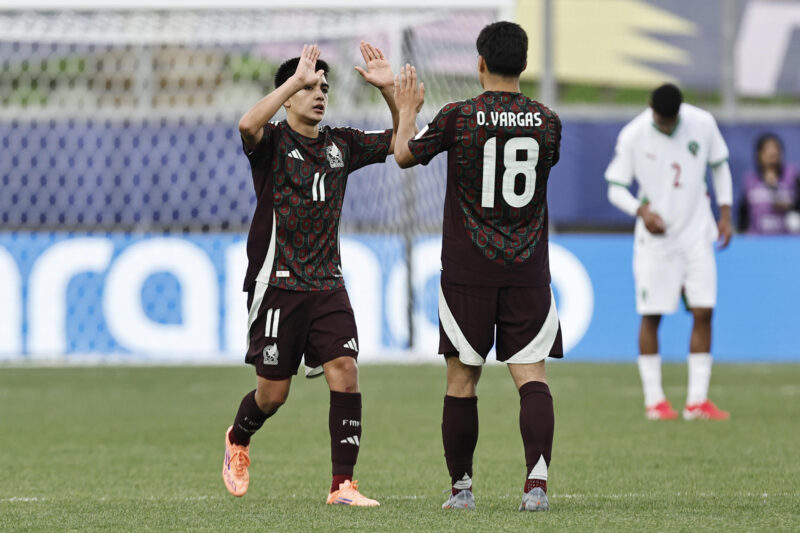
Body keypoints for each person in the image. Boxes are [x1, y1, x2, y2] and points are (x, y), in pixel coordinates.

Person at [393, 21, 563, 512]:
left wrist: (406, 110)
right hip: (527, 267)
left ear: (480, 62)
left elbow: (404, 155)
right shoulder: (548, 121)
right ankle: (536, 485)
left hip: (469, 268)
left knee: (462, 380)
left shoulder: (459, 117)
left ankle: (462, 490)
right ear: (524, 64)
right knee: (531, 376)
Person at [222, 42, 399, 506]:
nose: (320, 93)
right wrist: (291, 83)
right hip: (277, 286)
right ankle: (238, 440)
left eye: (324, 87)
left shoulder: (343, 144)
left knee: (346, 370)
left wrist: (390, 94)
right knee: (272, 395)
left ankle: (343, 485)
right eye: (310, 86)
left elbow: (404, 145)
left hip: (328, 286)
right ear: (290, 93)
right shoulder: (274, 142)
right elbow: (246, 125)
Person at [605, 83, 733, 421]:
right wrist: (641, 211)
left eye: (670, 120)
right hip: (656, 242)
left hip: (696, 234)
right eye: (661, 120)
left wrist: (726, 214)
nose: (666, 126)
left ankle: (696, 401)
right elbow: (615, 188)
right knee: (652, 315)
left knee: (704, 311)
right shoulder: (633, 134)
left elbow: (719, 166)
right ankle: (655, 401)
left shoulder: (702, 123)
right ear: (650, 108)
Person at [738, 133, 800, 234]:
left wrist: (790, 206)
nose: (773, 153)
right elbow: (743, 212)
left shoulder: (793, 176)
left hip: (787, 239)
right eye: (768, 150)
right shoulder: (750, 180)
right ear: (759, 155)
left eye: (776, 150)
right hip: (757, 239)